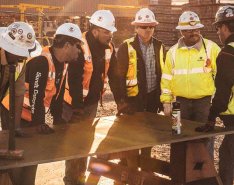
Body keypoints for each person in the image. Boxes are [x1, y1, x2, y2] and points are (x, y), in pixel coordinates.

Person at [8, 23, 83, 185]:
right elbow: (36, 94)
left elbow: (58, 93)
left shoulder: (63, 64)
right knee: (15, 158)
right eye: (77, 46)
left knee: (31, 156)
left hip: (30, 116)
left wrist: (58, 119)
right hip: (15, 114)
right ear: (67, 45)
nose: (79, 50)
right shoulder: (42, 61)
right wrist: (39, 123)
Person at [62, 10, 117, 185]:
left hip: (91, 104)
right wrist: (77, 107)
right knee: (73, 145)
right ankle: (71, 180)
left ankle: (80, 178)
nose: (110, 35)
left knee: (85, 144)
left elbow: (115, 75)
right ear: (95, 31)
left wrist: (121, 102)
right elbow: (74, 78)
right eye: (107, 31)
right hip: (72, 104)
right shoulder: (79, 46)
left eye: (111, 32)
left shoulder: (108, 48)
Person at [160, 11, 220, 156]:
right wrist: (166, 102)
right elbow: (166, 78)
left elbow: (221, 76)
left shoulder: (212, 49)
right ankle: (177, 174)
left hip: (204, 104)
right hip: (178, 103)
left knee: (204, 140)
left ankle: (205, 175)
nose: (194, 33)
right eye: (189, 30)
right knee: (177, 137)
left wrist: (217, 102)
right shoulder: (172, 53)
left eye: (196, 29)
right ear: (181, 31)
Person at [114, 8, 166, 171]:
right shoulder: (126, 47)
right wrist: (121, 101)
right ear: (136, 28)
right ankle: (129, 171)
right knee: (131, 139)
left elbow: (163, 73)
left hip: (152, 99)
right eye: (144, 27)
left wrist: (161, 99)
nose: (148, 30)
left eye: (151, 26)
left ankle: (145, 169)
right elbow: (118, 77)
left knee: (148, 138)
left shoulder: (159, 46)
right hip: (133, 101)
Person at [196, 6, 234, 185]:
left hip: (233, 117)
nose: (218, 32)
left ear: (226, 28)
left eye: (218, 28)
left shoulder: (227, 53)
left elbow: (223, 93)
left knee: (227, 157)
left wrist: (211, 117)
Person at [0, 22, 42, 137]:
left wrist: (16, 127)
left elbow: (18, 94)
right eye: (20, 52)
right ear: (10, 47)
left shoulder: (20, 61)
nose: (24, 57)